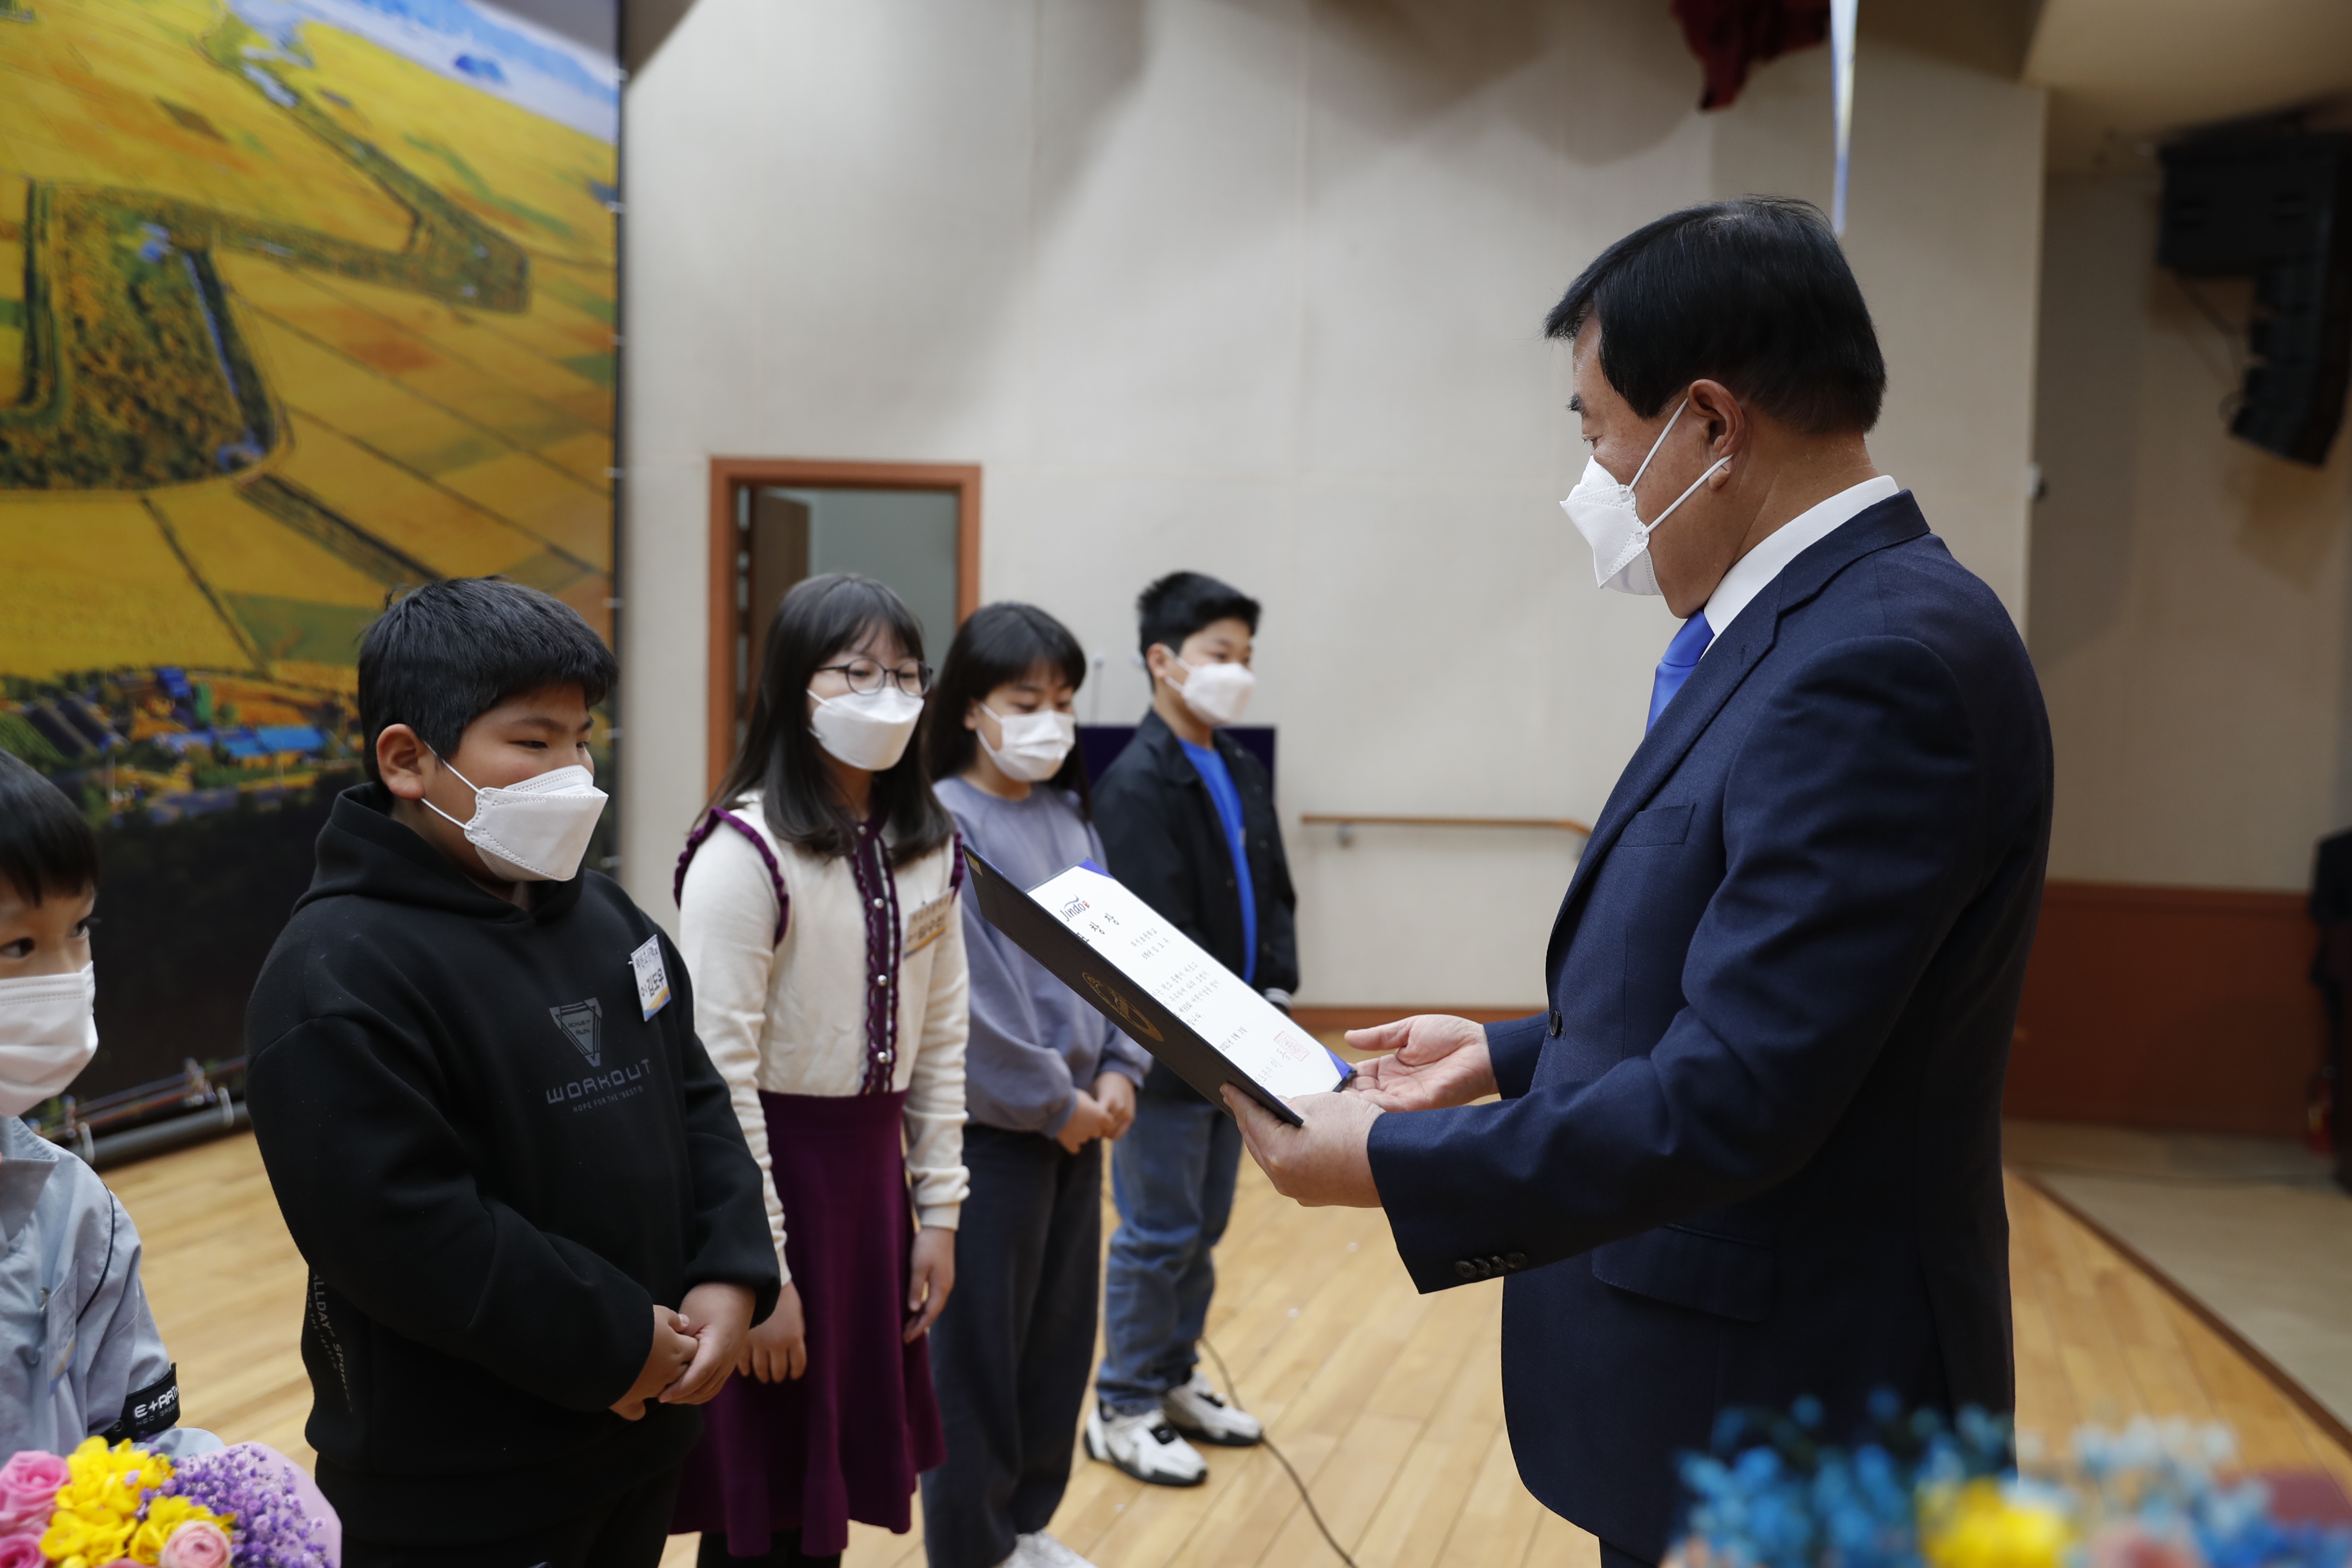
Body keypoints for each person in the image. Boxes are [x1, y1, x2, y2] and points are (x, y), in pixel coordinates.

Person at [1220, 197, 2053, 1568]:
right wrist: (1499, 1057)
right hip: (1723, 1374)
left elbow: (1743, 1088)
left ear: (1712, 427)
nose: (1595, 478)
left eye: (1599, 431)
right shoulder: (1810, 628)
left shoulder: (1882, 659)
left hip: (1790, 1406)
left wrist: (1386, 1161)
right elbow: (1765, 988)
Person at [244, 578, 779, 1567]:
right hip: (462, 1482)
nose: (574, 772)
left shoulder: (603, 915)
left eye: (582, 740)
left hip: (639, 1438)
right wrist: (610, 1340)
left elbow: (694, 1096)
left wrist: (728, 1269)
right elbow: (406, 1231)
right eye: (533, 745)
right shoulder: (335, 974)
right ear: (408, 760)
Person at [671, 573, 969, 1567]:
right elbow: (718, 1080)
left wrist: (940, 1213)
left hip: (873, 1192)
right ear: (796, 685)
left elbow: (943, 1040)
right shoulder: (741, 851)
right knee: (758, 1509)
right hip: (771, 1183)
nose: (887, 692)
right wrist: (760, 1273)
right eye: (857, 672)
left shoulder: (930, 845)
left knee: (826, 1500)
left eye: (906, 674)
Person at [919, 603, 1150, 1568]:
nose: (1050, 719)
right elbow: (971, 1005)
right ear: (973, 708)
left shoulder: (1068, 816)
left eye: (1064, 700)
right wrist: (1058, 1104)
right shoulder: (940, 822)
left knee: (1057, 1344)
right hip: (997, 1137)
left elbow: (1118, 958)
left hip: (1076, 1124)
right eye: (1027, 700)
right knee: (976, 1361)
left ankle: (1023, 1529)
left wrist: (1123, 1066)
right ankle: (972, 1548)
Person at [1084, 571, 1293, 1486]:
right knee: (1156, 1230)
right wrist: (1218, 1036)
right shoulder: (1135, 781)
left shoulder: (1240, 765)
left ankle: (1170, 1379)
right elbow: (1155, 937)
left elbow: (1271, 895)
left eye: (1245, 656)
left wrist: (1275, 1003)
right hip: (1179, 1057)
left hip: (1244, 1045)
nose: (1236, 672)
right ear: (1162, 662)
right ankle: (1122, 1402)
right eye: (1220, 655)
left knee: (1202, 1226)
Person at [0, 750, 202, 1460]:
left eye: (78, 930)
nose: (64, 978)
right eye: (19, 944)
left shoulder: (75, 1206)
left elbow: (137, 1438)